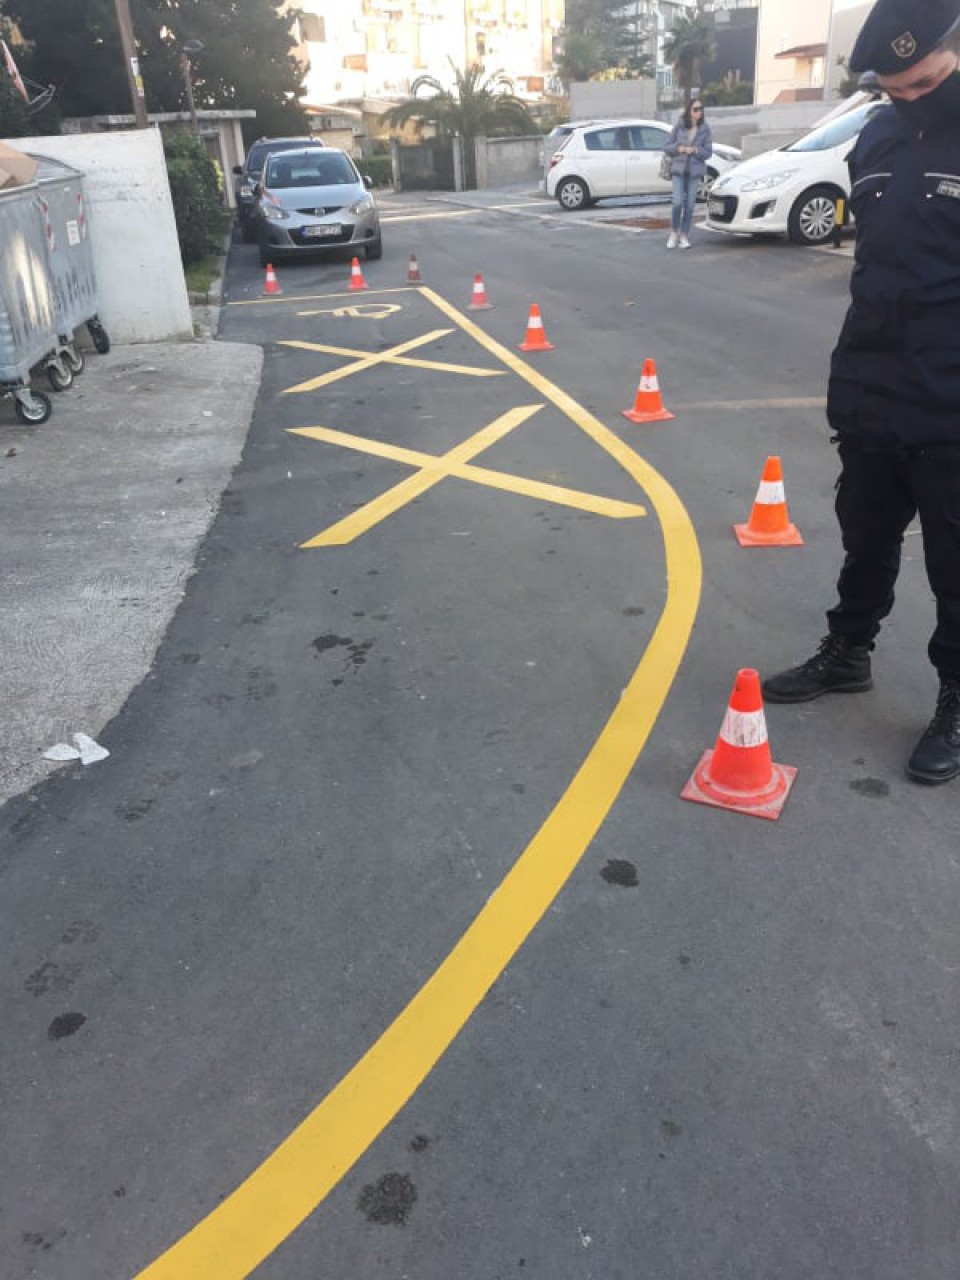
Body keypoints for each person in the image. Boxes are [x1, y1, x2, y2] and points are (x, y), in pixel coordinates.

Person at [762, 0, 960, 785]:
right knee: (865, 535)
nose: (910, 100)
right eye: (894, 89)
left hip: (952, 401)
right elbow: (875, 262)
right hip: (875, 384)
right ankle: (848, 651)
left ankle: (957, 698)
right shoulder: (874, 136)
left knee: (955, 564)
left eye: (926, 84)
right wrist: (850, 382)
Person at [663, 99, 712, 250]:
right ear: (689, 110)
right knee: (677, 203)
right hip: (678, 169)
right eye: (696, 109)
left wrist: (696, 150)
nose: (699, 112)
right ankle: (674, 232)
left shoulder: (705, 129)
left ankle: (684, 234)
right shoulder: (680, 125)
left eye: (701, 109)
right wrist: (679, 148)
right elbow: (667, 146)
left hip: (694, 172)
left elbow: (708, 152)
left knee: (690, 206)